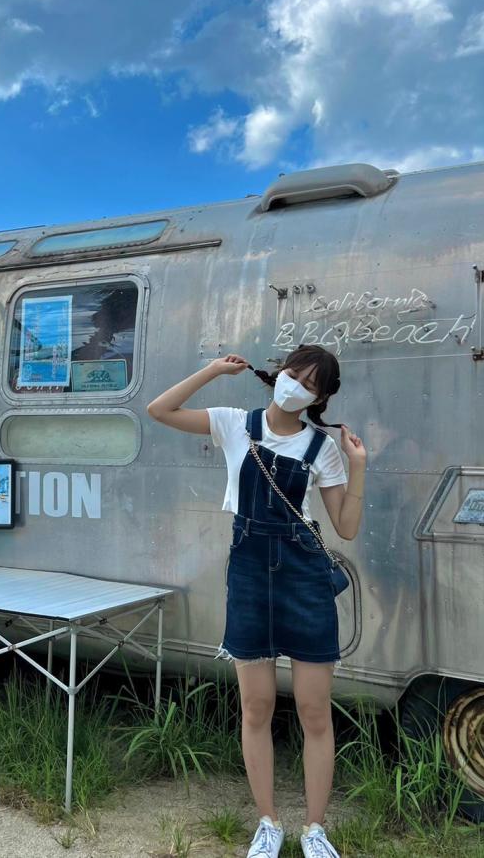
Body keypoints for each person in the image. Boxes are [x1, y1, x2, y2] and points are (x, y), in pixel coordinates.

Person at [147, 344, 366, 858]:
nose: (296, 387)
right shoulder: (233, 423)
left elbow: (347, 527)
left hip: (305, 578)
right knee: (256, 707)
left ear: (320, 399)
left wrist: (358, 466)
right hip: (248, 574)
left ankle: (315, 830)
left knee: (314, 712)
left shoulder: (321, 447)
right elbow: (159, 410)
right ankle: (268, 823)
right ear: (278, 373)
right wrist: (212, 370)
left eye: (310, 385)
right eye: (294, 374)